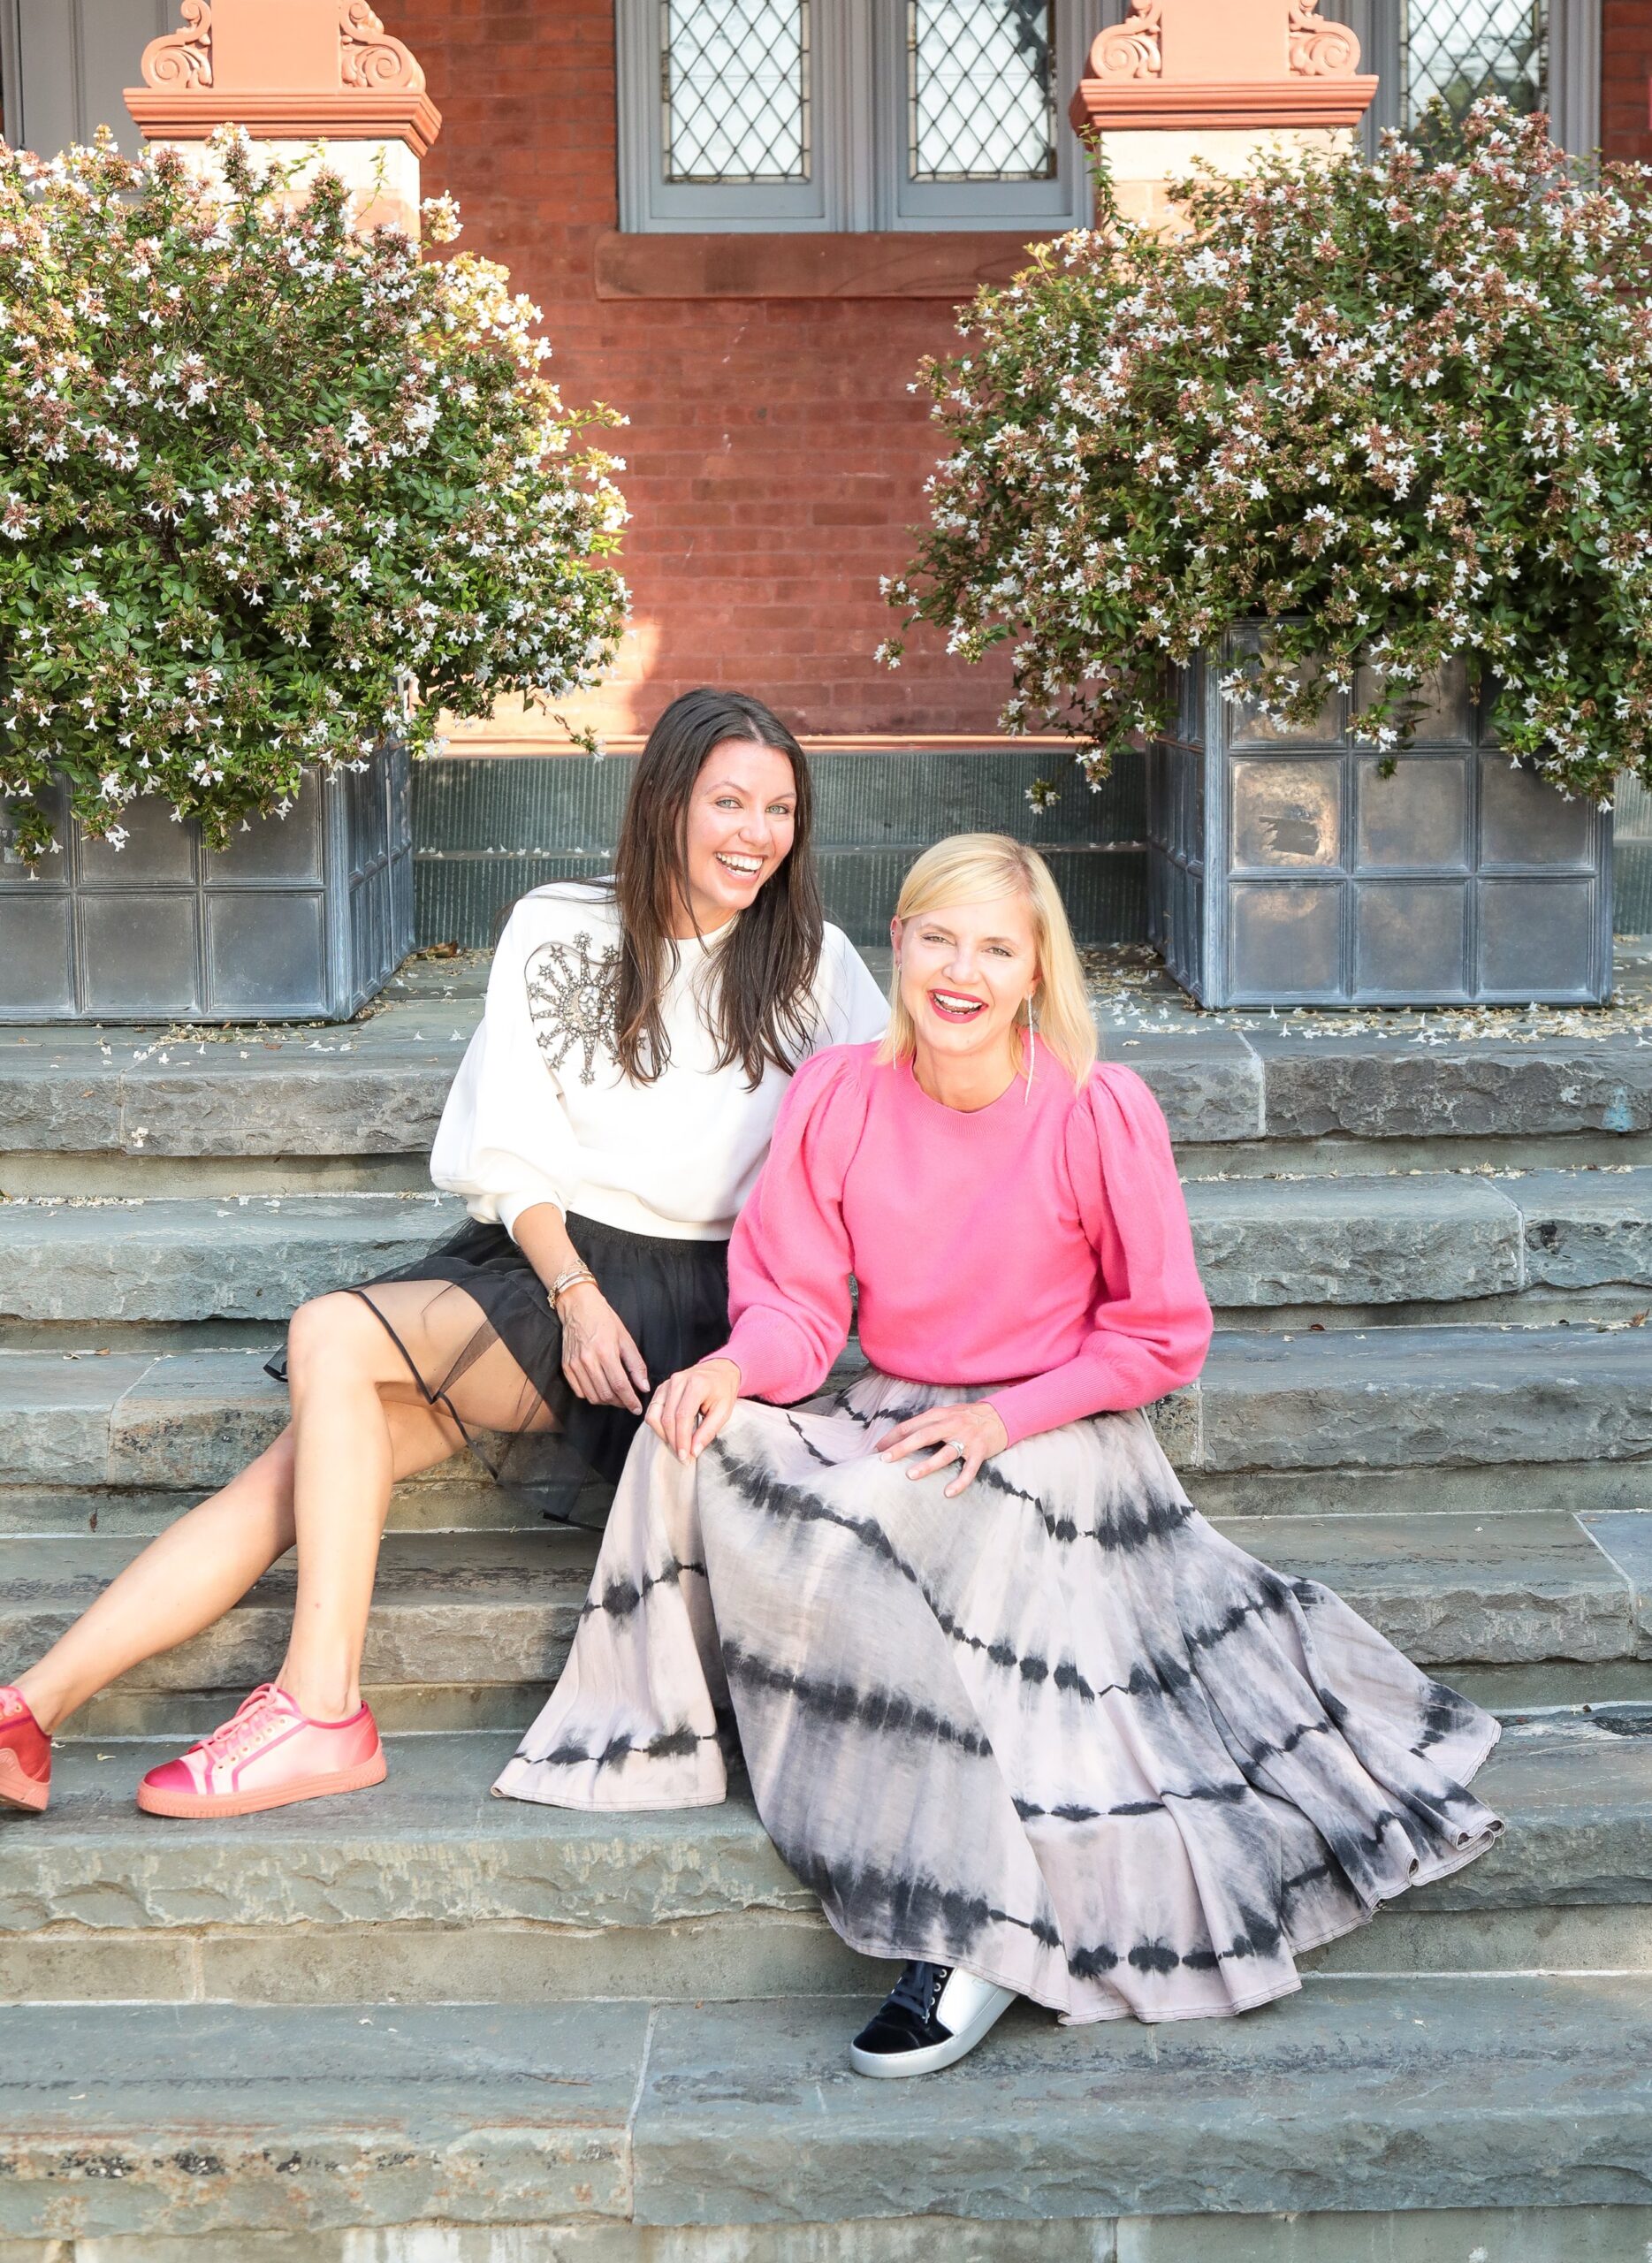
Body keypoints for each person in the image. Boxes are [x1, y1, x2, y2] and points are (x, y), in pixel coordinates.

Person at [494, 832, 1504, 2077]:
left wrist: (1002, 1419)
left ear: (1035, 971)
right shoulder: (840, 1096)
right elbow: (802, 1313)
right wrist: (728, 1370)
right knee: (695, 1443)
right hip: (899, 1408)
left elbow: (1159, 1336)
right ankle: (685, 1728)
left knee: (877, 1510)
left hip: (1061, 1428)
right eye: (936, 938)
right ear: (900, 946)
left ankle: (972, 1927)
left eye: (994, 947)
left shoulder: (1094, 1104)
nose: (959, 970)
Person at [0, 689, 887, 1825]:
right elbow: (509, 1143)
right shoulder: (558, 923)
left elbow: (890, 1136)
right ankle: (33, 1706)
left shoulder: (821, 965)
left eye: (780, 809)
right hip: (552, 1270)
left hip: (701, 1308)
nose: (757, 833)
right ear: (667, 801)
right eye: (729, 801)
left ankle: (321, 1707)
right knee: (305, 1458)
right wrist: (571, 1292)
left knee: (329, 1333)